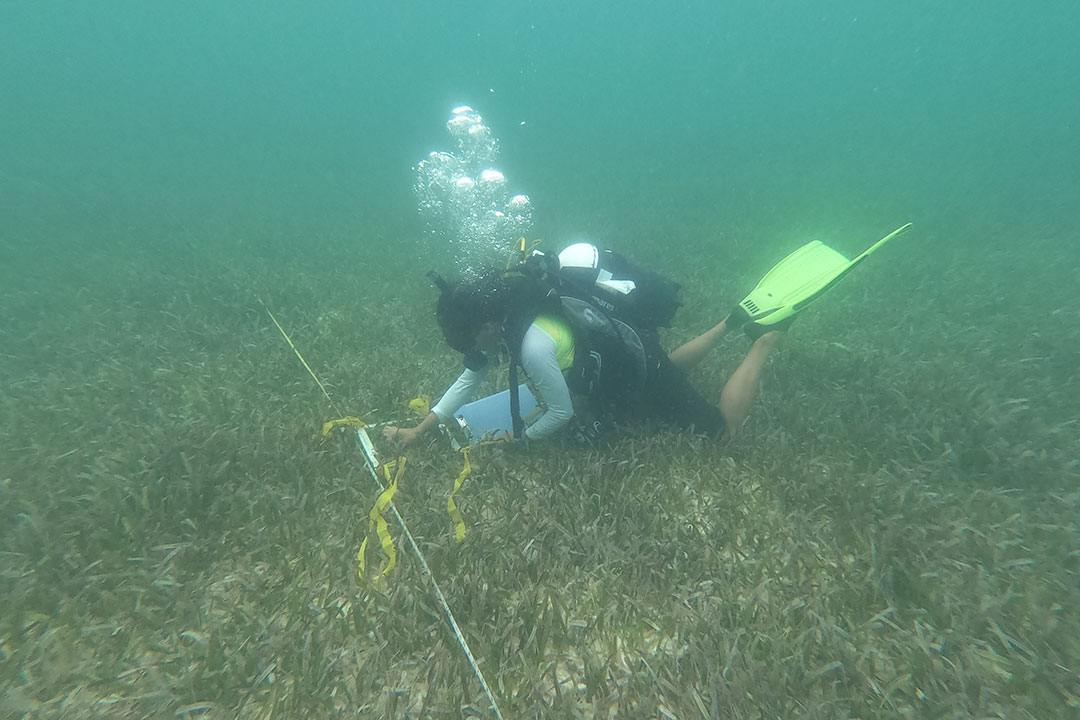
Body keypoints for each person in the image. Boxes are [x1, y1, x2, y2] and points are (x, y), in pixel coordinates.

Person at [382, 245, 782, 447]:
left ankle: (766, 337)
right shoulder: (507, 316)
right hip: (625, 363)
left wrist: (520, 439)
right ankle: (732, 322)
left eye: (467, 342)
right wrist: (419, 430)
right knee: (663, 375)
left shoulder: (533, 345)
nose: (471, 353)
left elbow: (561, 412)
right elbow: (468, 380)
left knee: (722, 432)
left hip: (630, 365)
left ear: (485, 326)